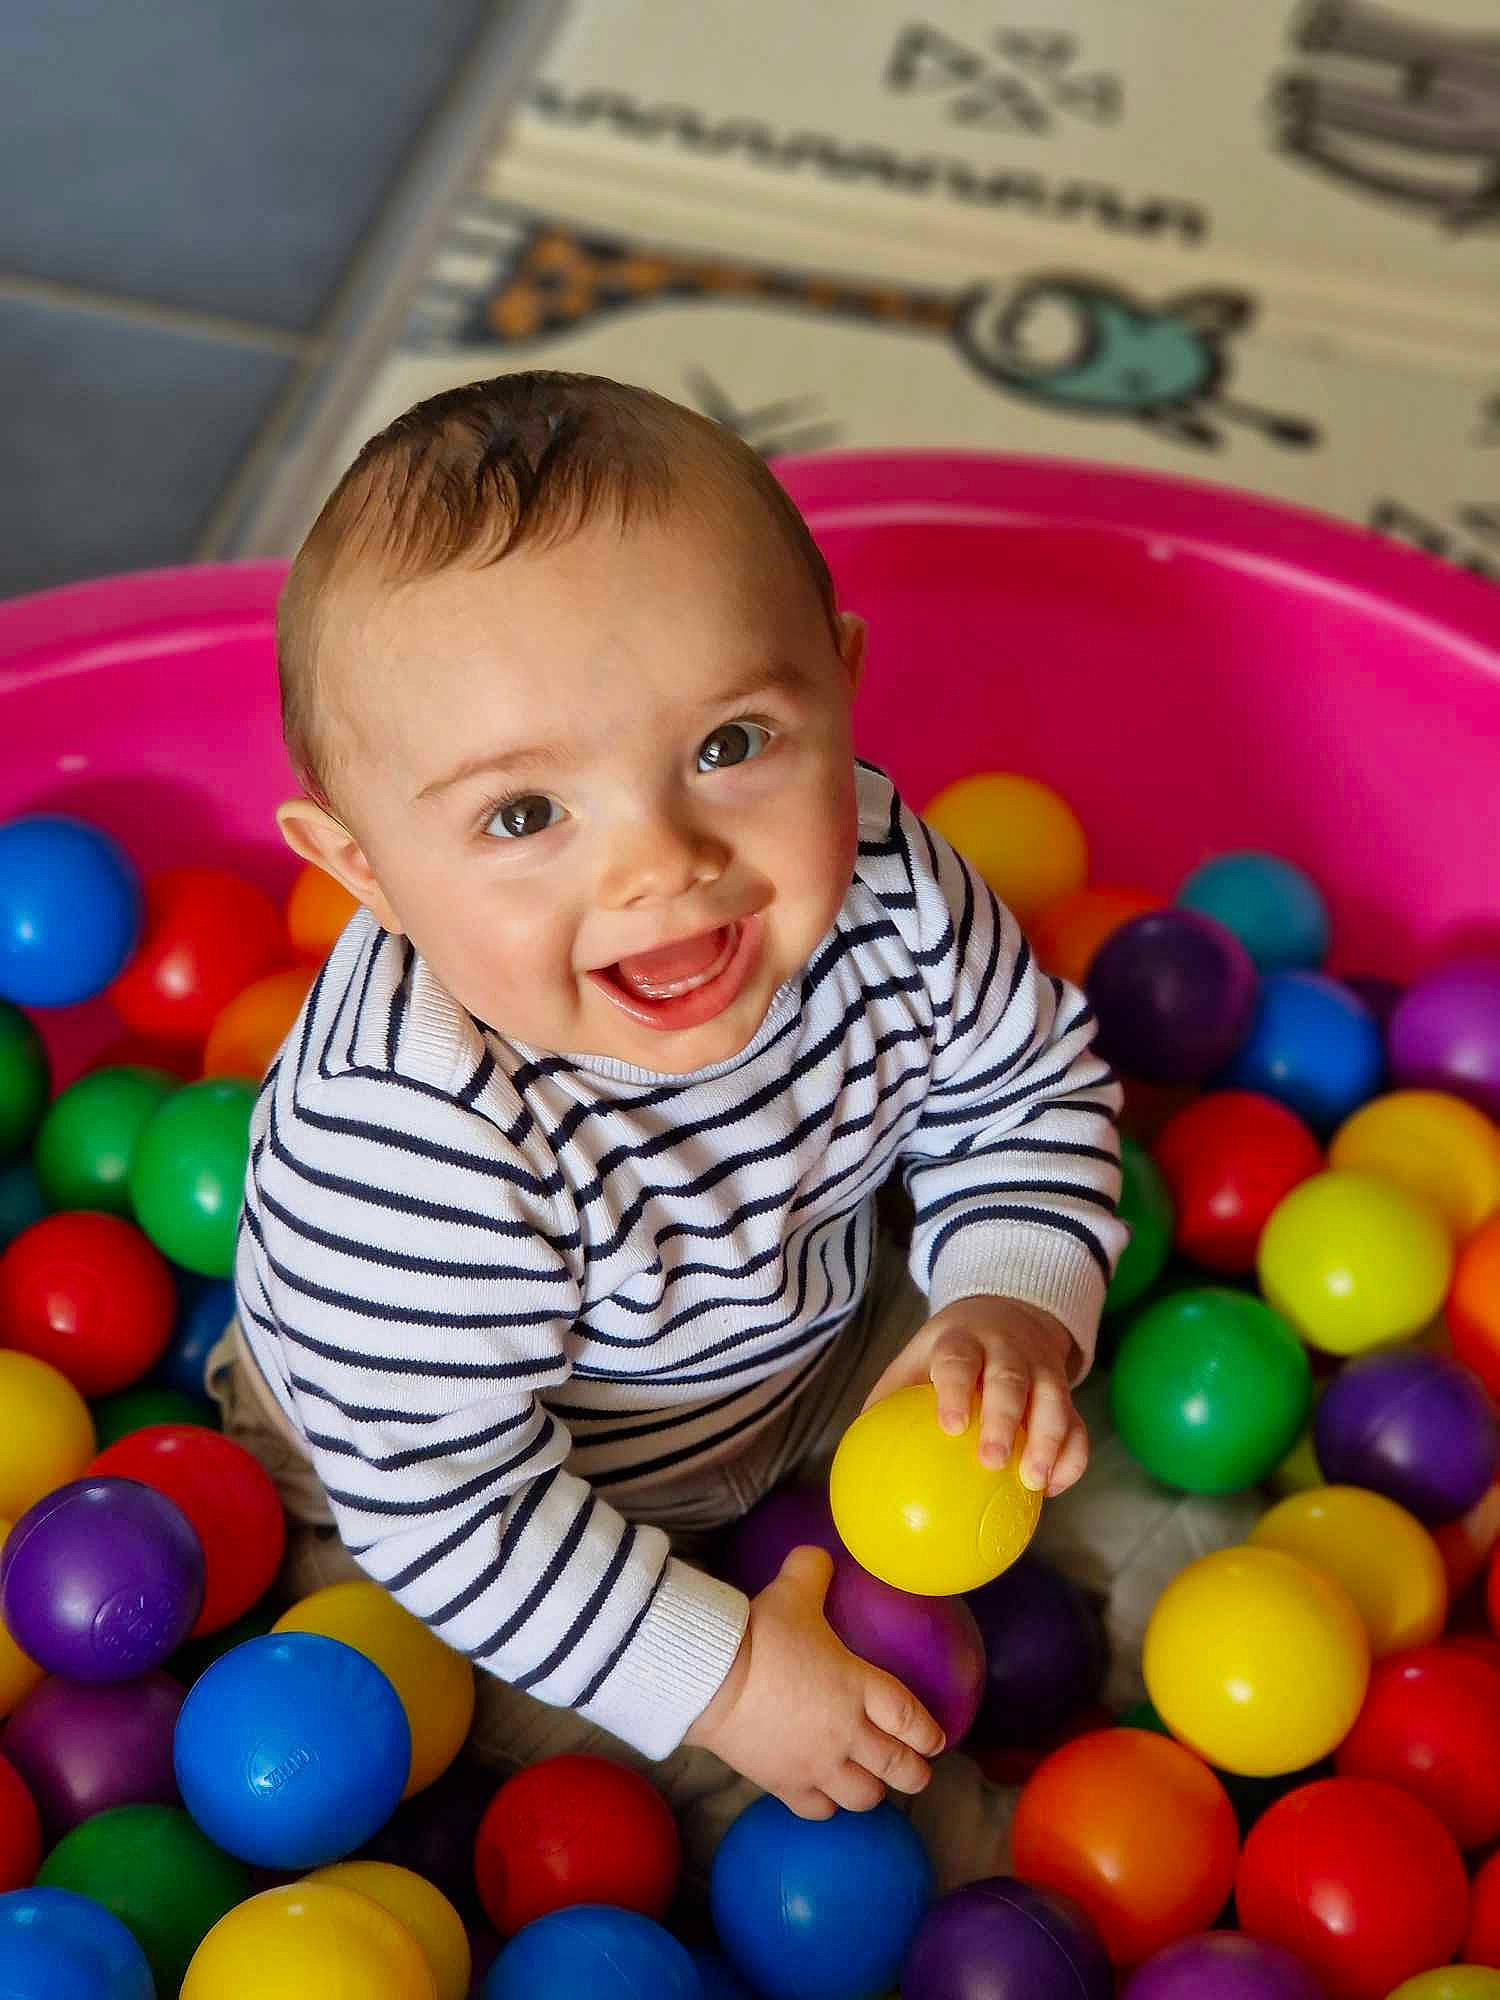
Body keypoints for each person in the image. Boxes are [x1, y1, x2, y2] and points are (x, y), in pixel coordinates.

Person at [211, 369, 1126, 1893]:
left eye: (729, 746)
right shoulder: (410, 1134)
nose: (664, 863)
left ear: (836, 684)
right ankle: (995, 1892)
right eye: (523, 818)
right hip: (459, 1502)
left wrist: (1008, 1303)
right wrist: (726, 1681)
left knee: (1103, 1469)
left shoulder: (887, 880)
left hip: (814, 1361)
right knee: (808, 1810)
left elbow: (1019, 1090)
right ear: (361, 867)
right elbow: (451, 1509)